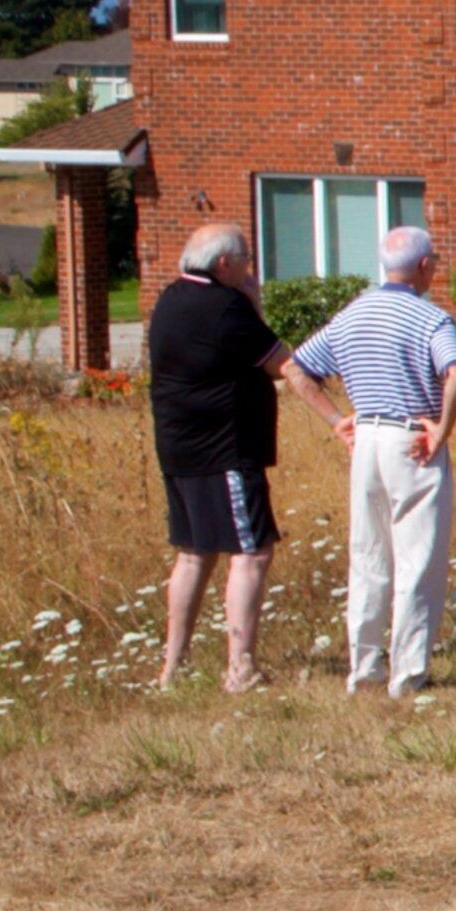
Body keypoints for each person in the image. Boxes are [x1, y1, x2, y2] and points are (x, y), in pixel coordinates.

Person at [145, 223, 329, 692]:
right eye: (247, 260)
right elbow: (282, 363)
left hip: (178, 446)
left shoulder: (170, 299)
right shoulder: (224, 307)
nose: (251, 269)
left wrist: (250, 304)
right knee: (252, 552)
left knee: (194, 554)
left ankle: (173, 668)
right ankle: (240, 667)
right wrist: (336, 420)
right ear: (224, 263)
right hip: (224, 448)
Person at [289, 225, 456, 699]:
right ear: (424, 266)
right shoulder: (431, 319)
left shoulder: (352, 314)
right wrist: (441, 429)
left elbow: (295, 368)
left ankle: (364, 668)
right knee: (417, 558)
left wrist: (337, 420)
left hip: (367, 436)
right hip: (411, 438)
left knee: (369, 556)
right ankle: (407, 674)